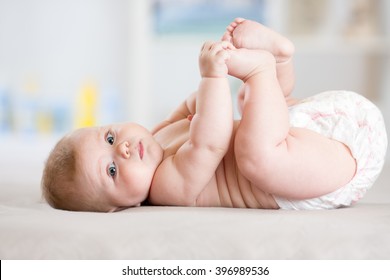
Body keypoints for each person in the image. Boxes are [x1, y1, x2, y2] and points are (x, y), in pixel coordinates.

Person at [41, 18, 387, 212]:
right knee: (256, 155)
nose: (124, 150)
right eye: (112, 170)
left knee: (257, 110)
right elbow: (210, 143)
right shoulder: (165, 188)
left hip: (309, 128)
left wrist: (202, 100)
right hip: (317, 174)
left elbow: (191, 108)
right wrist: (212, 77)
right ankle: (265, 68)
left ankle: (279, 60)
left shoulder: (157, 137)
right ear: (114, 207)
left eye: (111, 138)